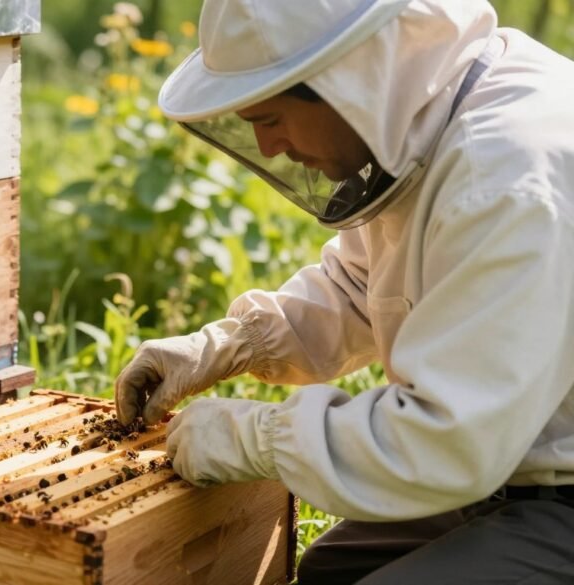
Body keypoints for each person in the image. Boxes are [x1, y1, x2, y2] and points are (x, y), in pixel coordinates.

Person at [113, 0, 574, 582]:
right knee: (331, 569)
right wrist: (230, 344)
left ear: (349, 82)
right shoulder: (432, 115)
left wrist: (257, 437)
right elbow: (362, 286)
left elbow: (448, 437)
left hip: (538, 480)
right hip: (507, 459)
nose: (269, 145)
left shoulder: (504, 176)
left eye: (271, 118)